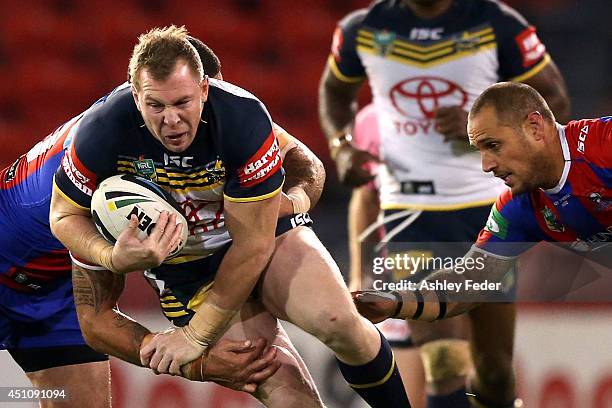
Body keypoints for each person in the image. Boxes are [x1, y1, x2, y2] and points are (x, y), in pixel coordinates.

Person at [49, 26, 410, 408]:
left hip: (259, 237)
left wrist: (197, 336)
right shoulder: (102, 131)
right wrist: (110, 257)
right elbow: (63, 215)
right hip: (189, 273)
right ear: (136, 98)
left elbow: (259, 236)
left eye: (183, 102)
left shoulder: (240, 116)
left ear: (204, 89)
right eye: (156, 106)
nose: (171, 119)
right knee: (287, 394)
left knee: (340, 322)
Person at [0, 35, 317, 407]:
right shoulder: (105, 155)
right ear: (142, 100)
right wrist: (197, 365)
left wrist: (291, 204)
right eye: (171, 104)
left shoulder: (219, 123)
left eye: (195, 106)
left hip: (56, 290)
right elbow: (95, 319)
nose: (186, 121)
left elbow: (305, 162)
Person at [318, 1, 570, 407]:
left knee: (493, 372)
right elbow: (334, 91)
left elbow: (555, 101)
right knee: (444, 362)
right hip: (408, 215)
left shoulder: (495, 23)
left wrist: (486, 126)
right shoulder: (362, 29)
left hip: (489, 214)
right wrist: (341, 145)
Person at [353, 81, 611, 395]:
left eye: (494, 146)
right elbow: (470, 279)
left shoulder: (602, 147)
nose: (486, 165)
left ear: (535, 127)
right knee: (491, 378)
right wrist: (398, 302)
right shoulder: (519, 209)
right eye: (480, 151)